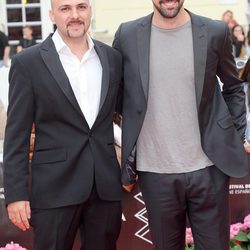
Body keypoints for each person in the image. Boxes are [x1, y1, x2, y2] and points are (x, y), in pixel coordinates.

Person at [113, 0, 249, 249]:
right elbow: (120, 96)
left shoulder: (214, 31)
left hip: (209, 167)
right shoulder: (128, 34)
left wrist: (238, 135)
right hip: (155, 171)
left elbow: (233, 86)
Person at [3, 0, 122, 249]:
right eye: (65, 9)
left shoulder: (111, 58)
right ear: (52, 15)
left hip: (104, 188)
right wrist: (16, 195)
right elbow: (17, 135)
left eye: (81, 7)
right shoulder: (28, 62)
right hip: (54, 189)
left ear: (90, 11)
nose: (75, 15)